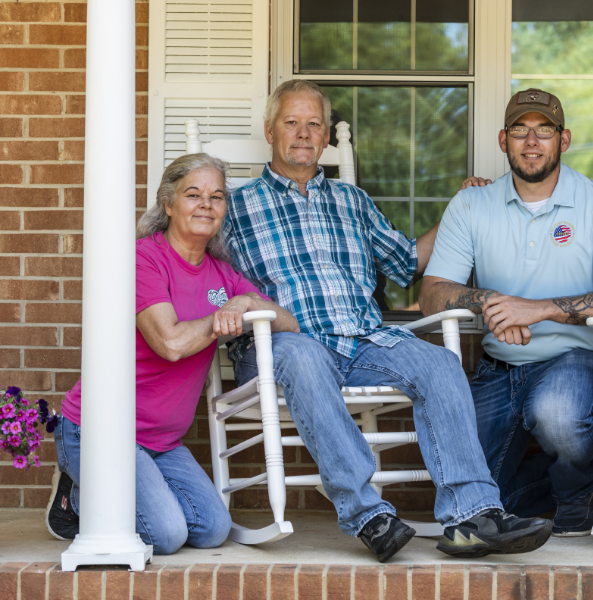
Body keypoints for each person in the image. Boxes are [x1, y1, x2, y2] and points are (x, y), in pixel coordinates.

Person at [220, 79, 552, 563]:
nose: (304, 133)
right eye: (292, 122)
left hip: (362, 342)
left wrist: (460, 208)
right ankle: (368, 515)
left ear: (327, 136)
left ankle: (472, 517)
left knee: (439, 364)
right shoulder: (234, 207)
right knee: (303, 353)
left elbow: (406, 261)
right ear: (270, 130)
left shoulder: (353, 202)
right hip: (284, 345)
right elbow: (189, 265)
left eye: (315, 124)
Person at [418, 88, 593, 537]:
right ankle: (573, 481)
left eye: (543, 130)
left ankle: (574, 495)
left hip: (574, 358)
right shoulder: (471, 205)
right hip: (498, 365)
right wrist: (493, 306)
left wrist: (537, 310)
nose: (531, 141)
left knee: (557, 415)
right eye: (521, 131)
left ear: (563, 140)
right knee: (473, 498)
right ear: (503, 140)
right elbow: (432, 293)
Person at [46, 154, 299, 554]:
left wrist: (248, 299)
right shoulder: (144, 258)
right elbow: (171, 343)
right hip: (101, 430)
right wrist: (222, 316)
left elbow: (289, 323)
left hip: (163, 443)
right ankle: (76, 499)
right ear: (168, 203)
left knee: (212, 529)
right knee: (166, 535)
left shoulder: (222, 274)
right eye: (193, 194)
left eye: (217, 197)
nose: (206, 205)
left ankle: (122, 487)